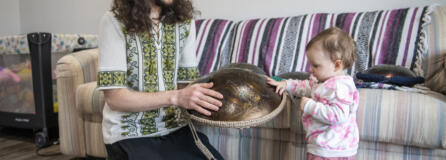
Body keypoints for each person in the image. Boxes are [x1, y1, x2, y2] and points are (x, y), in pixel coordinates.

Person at [97, 0, 224, 159]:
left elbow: (189, 87)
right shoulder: (114, 21)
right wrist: (176, 97)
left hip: (176, 128)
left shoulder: (184, 22)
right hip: (130, 134)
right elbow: (115, 99)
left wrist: (235, 109)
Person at [267, 27, 360, 160]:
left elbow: (338, 115)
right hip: (321, 146)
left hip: (332, 150)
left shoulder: (340, 87)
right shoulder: (322, 81)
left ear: (337, 65)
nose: (310, 69)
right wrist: (286, 84)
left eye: (316, 65)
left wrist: (310, 106)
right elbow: (304, 86)